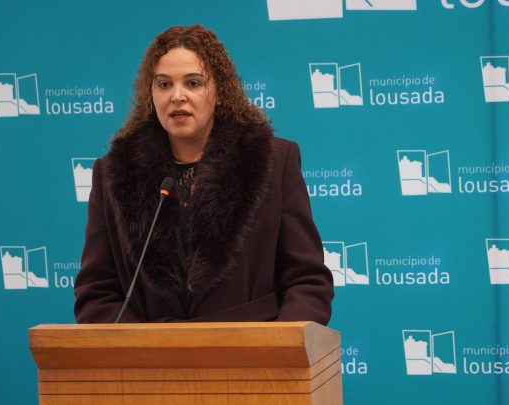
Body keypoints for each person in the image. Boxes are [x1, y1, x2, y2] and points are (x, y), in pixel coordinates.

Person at [74, 25, 333, 324]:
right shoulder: (113, 173)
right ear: (150, 95)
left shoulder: (274, 161)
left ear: (219, 92)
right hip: (151, 352)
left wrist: (280, 343)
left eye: (193, 83)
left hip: (254, 349)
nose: (177, 96)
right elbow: (96, 294)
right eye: (164, 84)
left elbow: (307, 281)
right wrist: (144, 346)